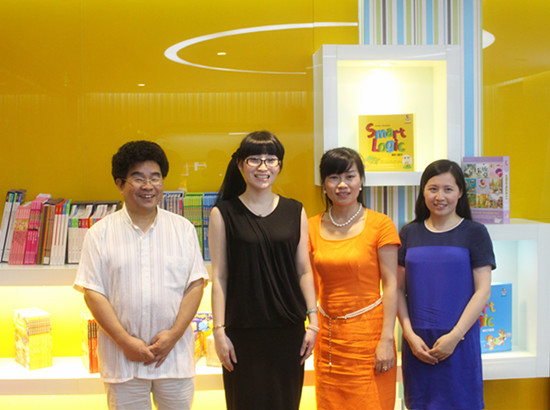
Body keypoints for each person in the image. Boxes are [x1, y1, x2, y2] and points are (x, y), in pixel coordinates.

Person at [74, 140, 209, 410]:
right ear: (120, 183)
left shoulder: (183, 229)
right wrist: (125, 342)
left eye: (155, 178)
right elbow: (93, 292)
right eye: (138, 178)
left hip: (174, 358)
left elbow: (195, 285)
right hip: (122, 360)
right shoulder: (99, 234)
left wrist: (174, 335)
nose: (148, 186)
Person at [209, 130, 319, 410]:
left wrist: (313, 323)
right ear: (240, 164)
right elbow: (219, 277)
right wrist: (219, 331)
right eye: (254, 159)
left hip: (288, 331)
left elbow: (304, 271)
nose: (263, 166)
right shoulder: (223, 213)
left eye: (271, 159)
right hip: (242, 332)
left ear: (279, 165)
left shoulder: (295, 210)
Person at [397, 159, 496, 410]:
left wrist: (455, 336)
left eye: (448, 189)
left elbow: (483, 291)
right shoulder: (409, 233)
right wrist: (409, 336)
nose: (440, 197)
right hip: (418, 345)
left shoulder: (475, 232)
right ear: (423, 191)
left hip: (460, 341)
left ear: (460, 192)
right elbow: (397, 290)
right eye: (433, 189)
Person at [308, 147, 400, 410]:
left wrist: (387, 339)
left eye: (350, 176)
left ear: (361, 180)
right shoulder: (310, 226)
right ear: (324, 184)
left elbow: (391, 285)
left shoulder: (380, 225)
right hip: (328, 340)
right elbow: (307, 284)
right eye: (333, 177)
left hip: (370, 339)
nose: (342, 185)